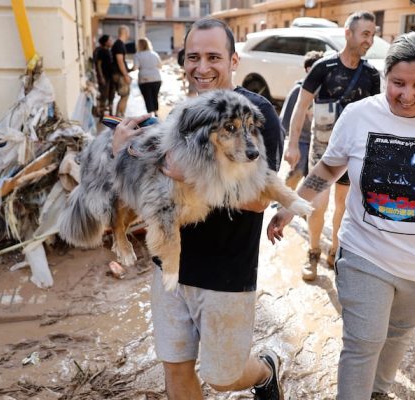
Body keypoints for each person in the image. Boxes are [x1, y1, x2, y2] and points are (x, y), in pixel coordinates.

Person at [266, 31, 415, 400]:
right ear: (384, 77)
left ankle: (377, 391)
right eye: (398, 83)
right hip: (365, 253)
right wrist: (291, 204)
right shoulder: (360, 115)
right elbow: (328, 169)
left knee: (396, 332)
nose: (407, 95)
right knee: (363, 341)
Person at [112, 18, 284, 400]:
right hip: (170, 266)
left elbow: (258, 200)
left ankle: (265, 372)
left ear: (233, 60)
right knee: (175, 369)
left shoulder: (256, 114)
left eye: (213, 57)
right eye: (193, 57)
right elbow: (151, 192)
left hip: (225, 271)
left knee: (223, 376)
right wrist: (122, 153)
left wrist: (189, 174)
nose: (202, 67)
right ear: (182, 62)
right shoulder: (181, 114)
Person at [284, 11, 381, 281]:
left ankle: (335, 250)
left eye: (372, 35)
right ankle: (313, 251)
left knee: (344, 206)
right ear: (348, 33)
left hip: (354, 154)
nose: (369, 40)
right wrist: (292, 145)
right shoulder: (323, 68)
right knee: (317, 205)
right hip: (322, 151)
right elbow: (301, 107)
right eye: (365, 34)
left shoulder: (371, 74)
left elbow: (375, 117)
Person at [278, 50, 323, 190]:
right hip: (301, 141)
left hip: (318, 141)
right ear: (307, 70)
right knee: (296, 172)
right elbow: (285, 119)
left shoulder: (326, 92)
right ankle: (285, 198)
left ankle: (306, 206)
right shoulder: (298, 90)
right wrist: (291, 144)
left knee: (312, 177)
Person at [134, 37, 163, 116]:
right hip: (156, 78)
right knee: (155, 96)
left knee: (147, 97)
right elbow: (160, 66)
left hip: (144, 79)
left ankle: (150, 114)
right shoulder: (154, 54)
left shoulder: (138, 55)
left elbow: (135, 67)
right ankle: (156, 113)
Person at [111, 25, 132, 117]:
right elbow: (120, 61)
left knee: (124, 95)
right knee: (124, 95)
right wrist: (126, 75)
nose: (129, 34)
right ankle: (119, 116)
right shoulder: (119, 44)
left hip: (118, 74)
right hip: (120, 75)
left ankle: (120, 115)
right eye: (128, 32)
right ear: (125, 33)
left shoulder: (118, 44)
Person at [93, 34, 114, 117]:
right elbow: (98, 65)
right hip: (104, 77)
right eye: (110, 40)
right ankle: (102, 115)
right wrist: (101, 77)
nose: (111, 41)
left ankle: (111, 113)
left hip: (110, 76)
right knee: (104, 95)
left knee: (111, 94)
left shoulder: (108, 50)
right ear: (105, 42)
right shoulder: (101, 51)